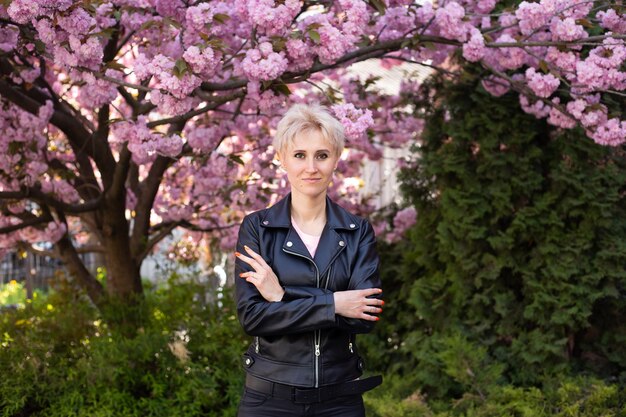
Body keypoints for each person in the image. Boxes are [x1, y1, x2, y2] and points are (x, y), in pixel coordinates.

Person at [234, 103, 384, 417]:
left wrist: (281, 297)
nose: (311, 168)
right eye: (299, 155)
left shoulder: (357, 232)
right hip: (269, 398)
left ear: (337, 159)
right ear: (281, 158)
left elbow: (363, 316)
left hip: (339, 400)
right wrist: (334, 304)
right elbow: (253, 317)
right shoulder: (257, 229)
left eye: (322, 155)